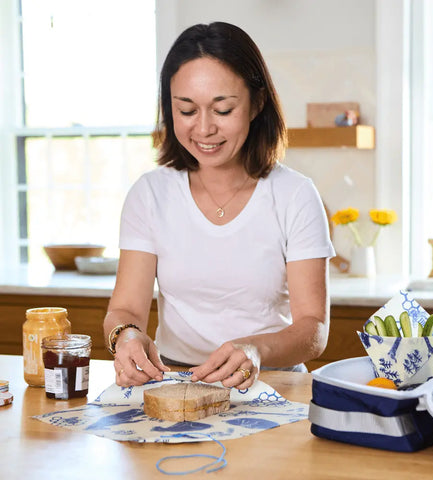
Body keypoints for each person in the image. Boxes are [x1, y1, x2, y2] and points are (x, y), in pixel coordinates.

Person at [103, 21, 335, 390]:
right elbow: (126, 309)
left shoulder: (294, 194)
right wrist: (126, 335)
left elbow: (313, 330)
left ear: (257, 104)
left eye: (223, 109)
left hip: (272, 383)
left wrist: (255, 349)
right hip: (175, 382)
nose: (204, 128)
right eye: (187, 110)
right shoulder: (150, 194)